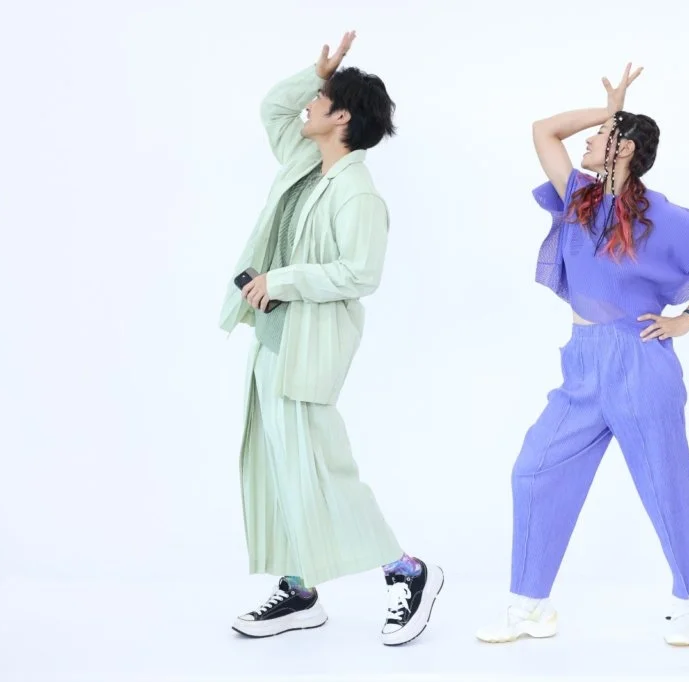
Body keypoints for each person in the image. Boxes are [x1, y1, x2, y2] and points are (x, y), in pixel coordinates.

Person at [475, 63, 689, 647]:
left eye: (601, 134)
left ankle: (688, 601)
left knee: (665, 482)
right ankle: (530, 606)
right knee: (534, 470)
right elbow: (543, 130)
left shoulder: (662, 217)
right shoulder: (577, 197)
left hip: (639, 361)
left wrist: (688, 319)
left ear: (623, 148)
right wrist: (608, 109)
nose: (588, 140)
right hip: (581, 365)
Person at [218, 31, 443, 647]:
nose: (309, 105)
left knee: (324, 470)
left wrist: (281, 280)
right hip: (273, 341)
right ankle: (299, 589)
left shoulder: (356, 191)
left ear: (341, 117)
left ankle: (408, 571)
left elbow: (360, 274)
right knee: (280, 470)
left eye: (320, 99)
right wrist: (318, 73)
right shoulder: (304, 164)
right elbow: (273, 107)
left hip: (308, 351)